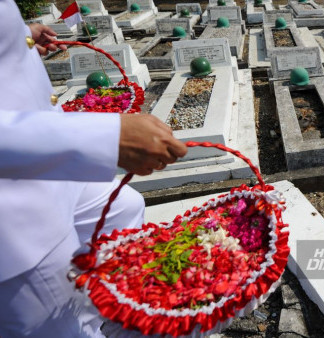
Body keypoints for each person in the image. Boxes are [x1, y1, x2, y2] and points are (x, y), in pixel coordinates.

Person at [0, 0, 188, 336]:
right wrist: (103, 139)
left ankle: (122, 314)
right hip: (13, 206)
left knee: (123, 209)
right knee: (64, 322)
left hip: (48, 162)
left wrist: (17, 37)